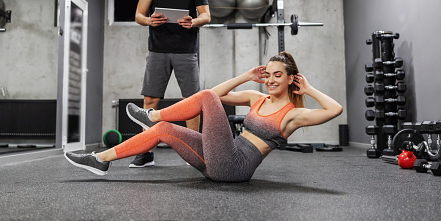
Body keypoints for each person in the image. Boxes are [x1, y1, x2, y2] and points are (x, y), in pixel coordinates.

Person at [65, 51, 343, 182]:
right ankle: (99, 160)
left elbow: (335, 110)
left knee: (203, 99)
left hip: (235, 167)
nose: (270, 80)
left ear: (290, 78)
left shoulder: (293, 115)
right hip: (217, 160)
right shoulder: (257, 98)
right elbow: (215, 93)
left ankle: (152, 115)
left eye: (277, 76)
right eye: (267, 75)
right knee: (165, 128)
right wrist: (246, 76)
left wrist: (308, 89)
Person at [131, 0, 211, 168]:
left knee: (192, 102)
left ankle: (194, 150)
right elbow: (138, 14)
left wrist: (193, 21)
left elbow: (207, 16)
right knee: (150, 100)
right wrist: (149, 20)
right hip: (157, 49)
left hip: (186, 51)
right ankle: (145, 152)